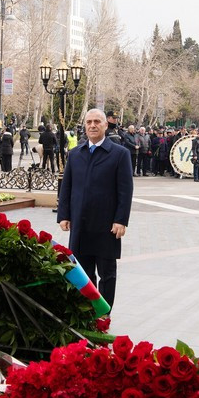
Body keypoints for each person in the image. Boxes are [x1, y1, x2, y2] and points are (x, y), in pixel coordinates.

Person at [57, 109, 133, 312]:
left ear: (105, 125)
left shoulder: (119, 154)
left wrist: (121, 220)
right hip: (81, 225)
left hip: (107, 226)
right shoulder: (75, 154)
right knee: (83, 274)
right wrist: (63, 214)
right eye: (89, 121)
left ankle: (104, 314)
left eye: (97, 121)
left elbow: (125, 191)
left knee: (107, 274)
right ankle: (87, 313)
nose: (93, 125)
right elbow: (67, 187)